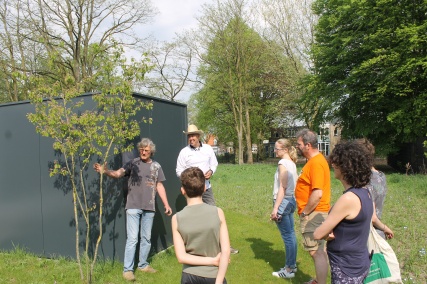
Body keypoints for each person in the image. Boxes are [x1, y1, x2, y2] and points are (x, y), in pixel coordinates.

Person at [313, 141, 393, 283]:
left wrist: (327, 233)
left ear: (346, 167)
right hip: (359, 263)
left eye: (336, 162)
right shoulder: (365, 191)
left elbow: (318, 234)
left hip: (346, 268)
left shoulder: (348, 199)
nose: (333, 165)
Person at [94, 138, 172, 282]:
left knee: (146, 239)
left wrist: (166, 204)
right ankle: (128, 270)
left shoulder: (156, 166)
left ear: (151, 151)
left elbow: (159, 186)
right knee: (132, 239)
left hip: (149, 207)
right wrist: (105, 171)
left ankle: (143, 265)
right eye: (141, 149)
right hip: (133, 207)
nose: (143, 152)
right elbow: (118, 174)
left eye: (146, 150)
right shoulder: (133, 163)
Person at [176, 124, 238, 254]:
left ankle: (223, 246)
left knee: (214, 216)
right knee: (193, 218)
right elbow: (179, 170)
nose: (191, 138)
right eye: (189, 136)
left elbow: (214, 164)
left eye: (193, 135)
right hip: (192, 191)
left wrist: (211, 171)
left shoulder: (208, 149)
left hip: (206, 188)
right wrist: (189, 179)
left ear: (198, 136)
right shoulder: (184, 152)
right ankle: (193, 247)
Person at [172, 167, 230, 284]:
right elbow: (226, 251)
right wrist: (218, 280)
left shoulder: (176, 218)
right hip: (214, 276)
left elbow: (181, 257)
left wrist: (212, 261)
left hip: (189, 277)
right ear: (204, 188)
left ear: (182, 190)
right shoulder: (218, 212)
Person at [294, 129, 331, 284]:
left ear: (308, 145)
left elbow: (317, 194)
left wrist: (305, 213)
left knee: (316, 251)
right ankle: (319, 280)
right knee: (320, 250)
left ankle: (320, 282)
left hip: (314, 214)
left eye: (299, 144)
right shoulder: (314, 161)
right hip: (317, 212)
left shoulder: (315, 163)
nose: (297, 146)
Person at [270, 139, 298, 279]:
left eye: (277, 149)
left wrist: (276, 208)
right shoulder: (292, 163)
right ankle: (292, 266)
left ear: (285, 149)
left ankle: (289, 269)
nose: (275, 151)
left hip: (284, 202)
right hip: (291, 200)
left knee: (288, 237)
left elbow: (283, 187)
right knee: (291, 235)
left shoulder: (283, 164)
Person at [357, 138, 390, 239]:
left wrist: (385, 228)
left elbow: (372, 217)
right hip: (377, 233)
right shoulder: (381, 176)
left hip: (368, 235)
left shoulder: (365, 180)